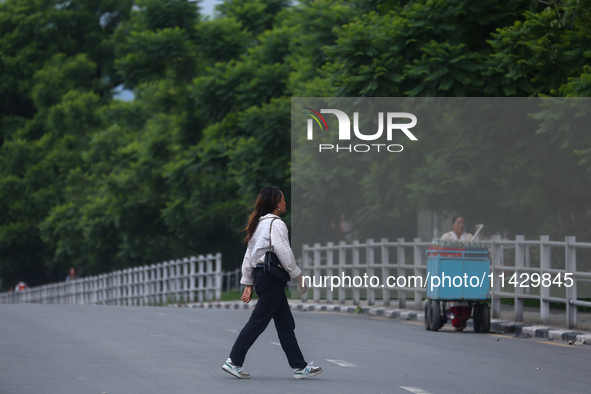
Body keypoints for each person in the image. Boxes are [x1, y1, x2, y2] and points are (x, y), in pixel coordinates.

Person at [222, 185, 323, 380]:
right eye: (283, 199)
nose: (285, 202)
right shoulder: (276, 224)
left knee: (285, 323)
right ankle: (233, 361)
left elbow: (249, 256)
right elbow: (284, 252)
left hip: (262, 278)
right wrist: (299, 276)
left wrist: (249, 283)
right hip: (271, 279)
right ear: (277, 203)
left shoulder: (257, 224)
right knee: (258, 321)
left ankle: (300, 367)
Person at [440, 214, 473, 331]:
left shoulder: (469, 238)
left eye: (462, 223)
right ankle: (456, 321)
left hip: (466, 270)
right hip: (451, 270)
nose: (461, 225)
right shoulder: (446, 237)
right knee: (453, 297)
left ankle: (463, 319)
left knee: (465, 298)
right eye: (458, 222)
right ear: (453, 225)